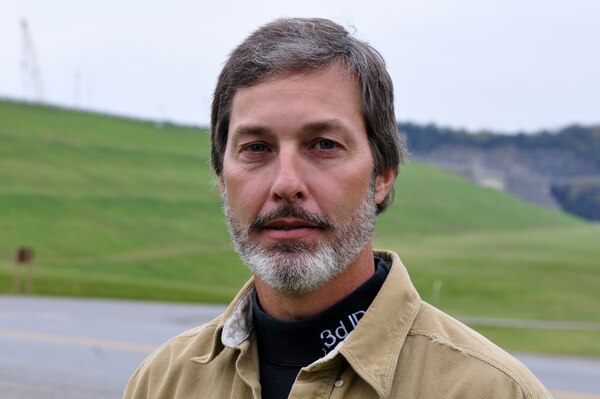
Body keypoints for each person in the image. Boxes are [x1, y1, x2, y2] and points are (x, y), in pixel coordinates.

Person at [124, 17, 551, 399]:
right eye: (256, 148)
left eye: (323, 145)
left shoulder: (492, 390)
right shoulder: (162, 383)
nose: (286, 184)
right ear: (222, 177)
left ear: (382, 174)